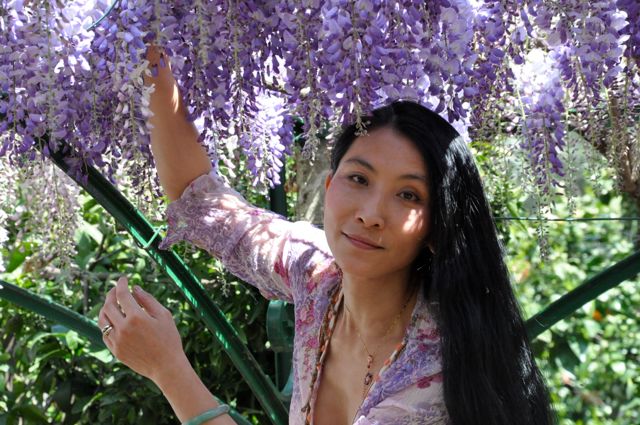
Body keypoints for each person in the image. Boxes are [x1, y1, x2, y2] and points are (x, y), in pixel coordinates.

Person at [98, 47, 557, 425]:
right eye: (359, 179)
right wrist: (152, 56)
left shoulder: (431, 380)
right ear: (329, 185)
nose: (372, 214)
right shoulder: (320, 276)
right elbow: (201, 202)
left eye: (408, 196)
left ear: (438, 228)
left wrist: (168, 368)